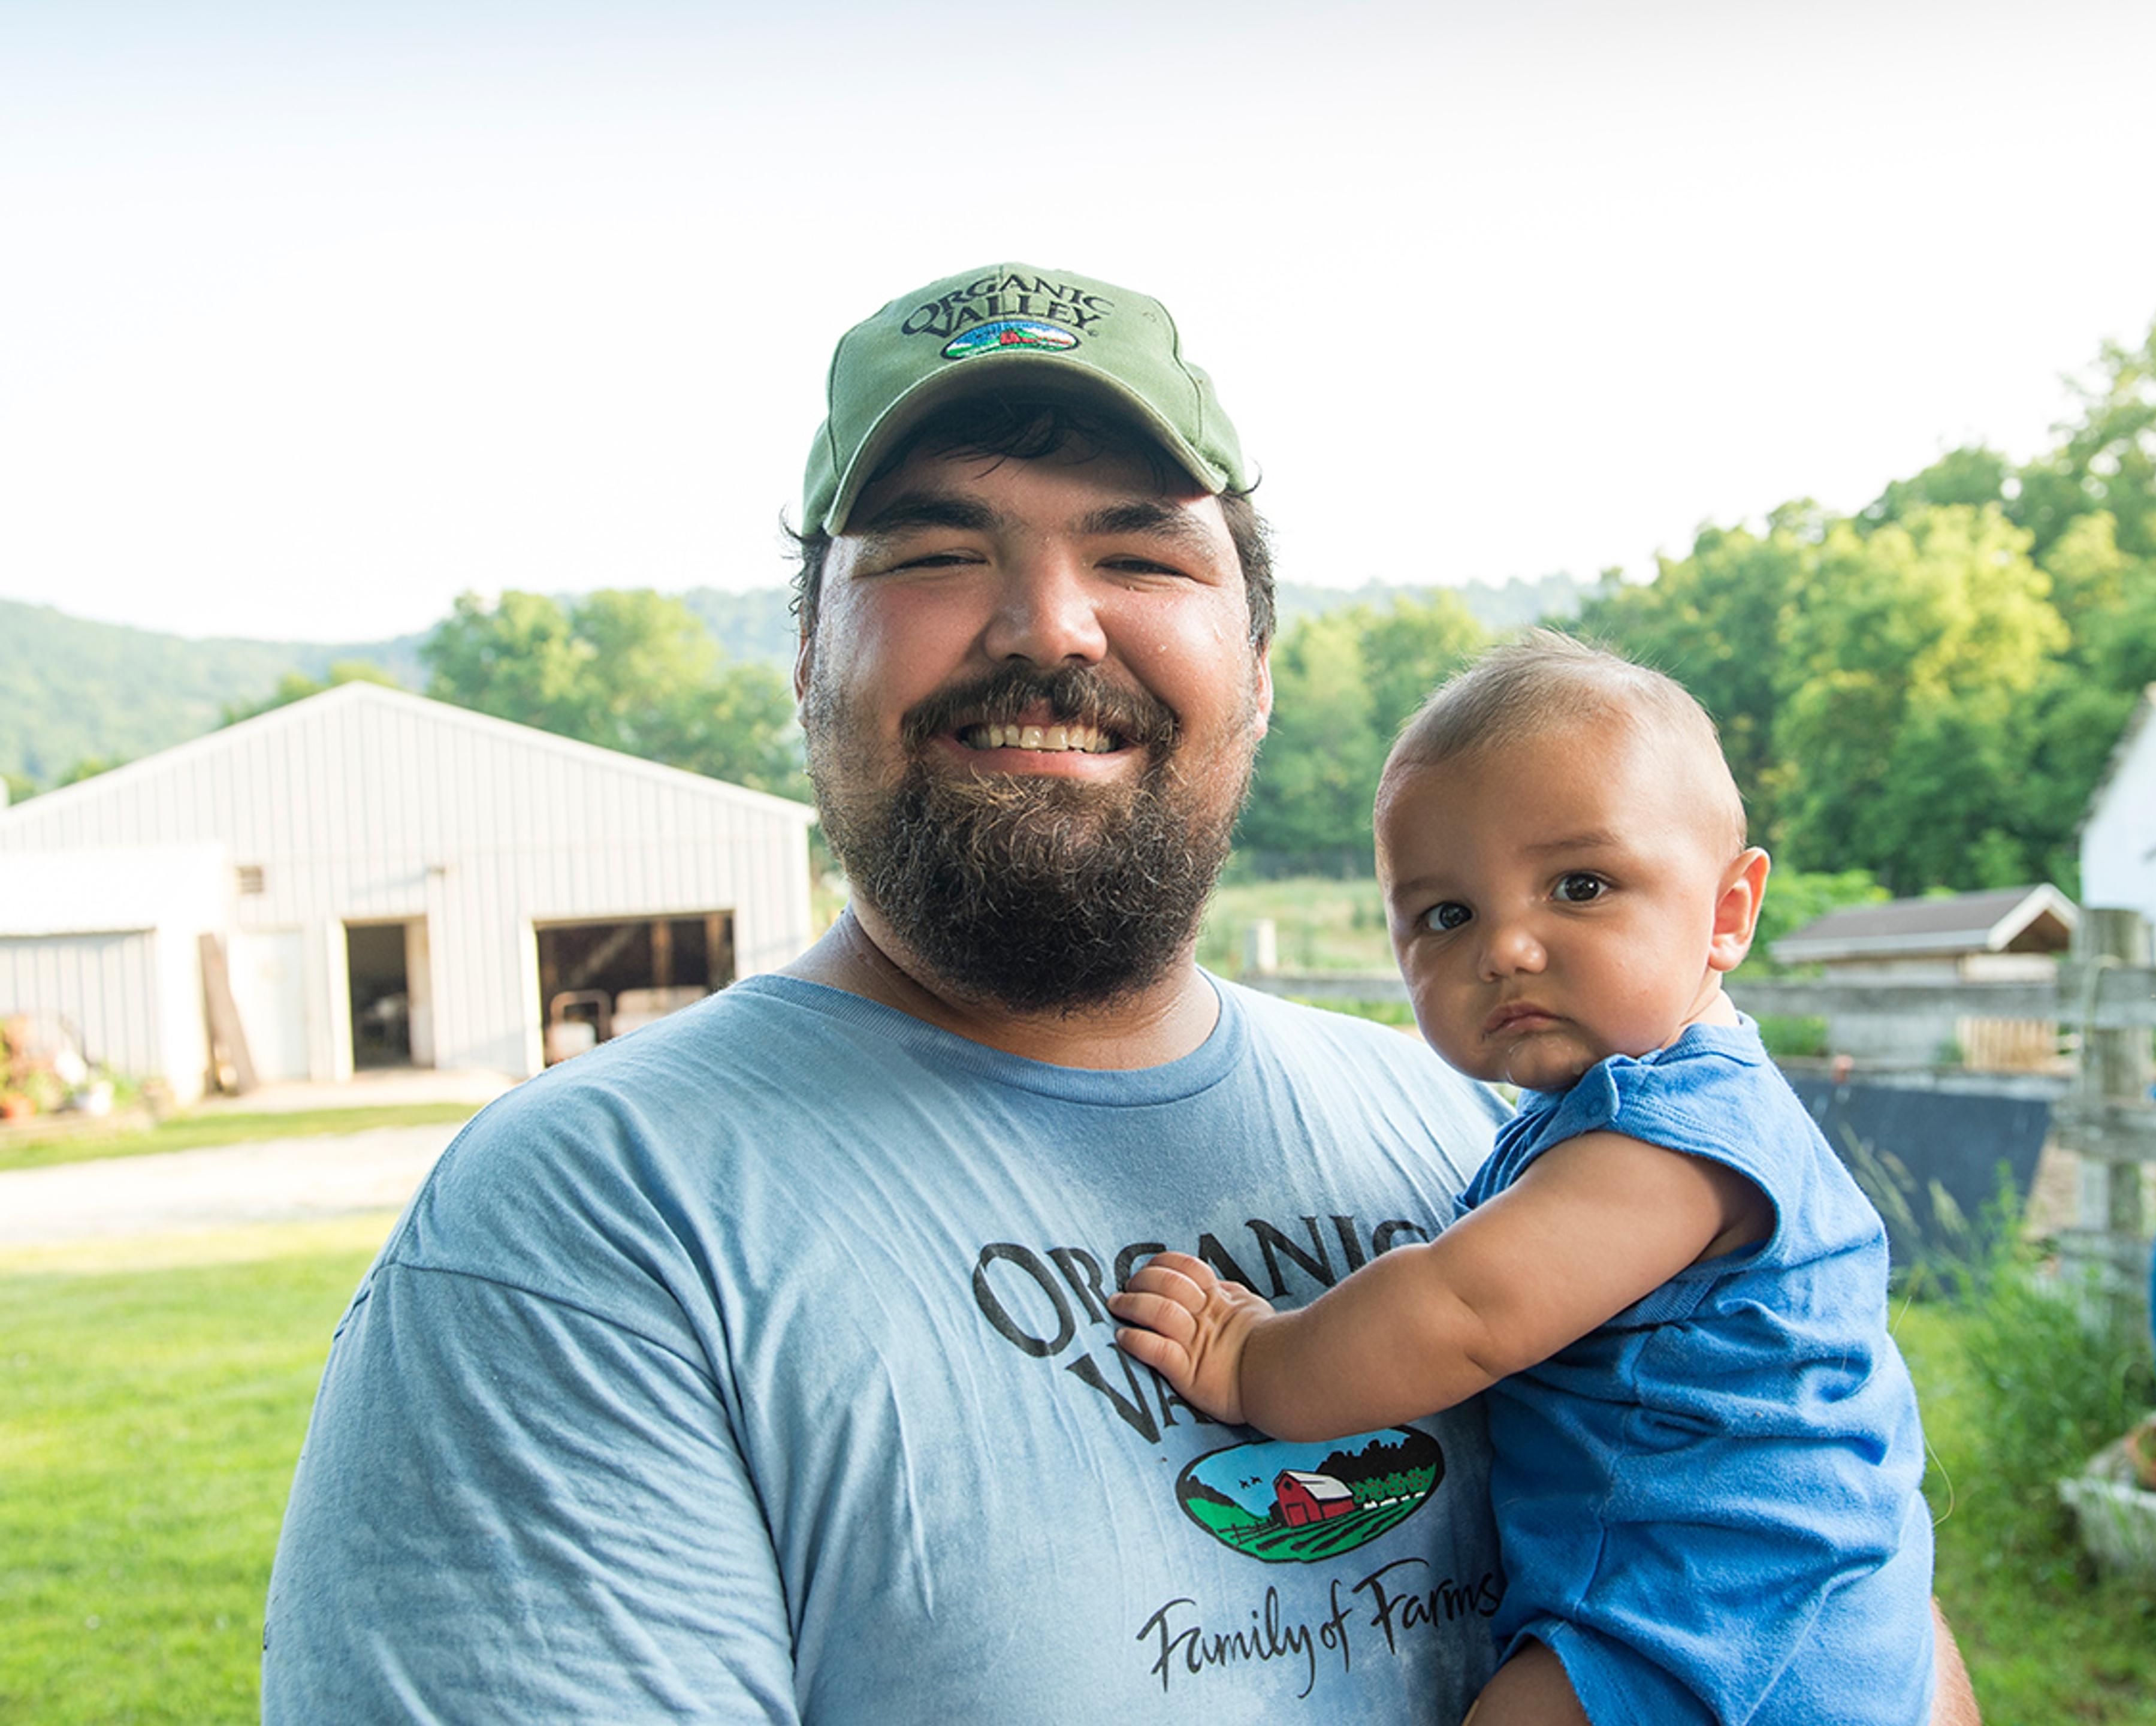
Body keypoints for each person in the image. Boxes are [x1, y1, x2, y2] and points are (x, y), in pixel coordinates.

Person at [260, 264, 1519, 1722]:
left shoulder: (1473, 1132)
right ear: (807, 658)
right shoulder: (594, 1227)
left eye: (1143, 558)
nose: (1050, 627)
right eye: (932, 554)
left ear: (1259, 664)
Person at [1113, 632, 1944, 1726]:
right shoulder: (1605, 1113)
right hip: (1735, 1600)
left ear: (1729, 914)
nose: (1505, 946)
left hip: (1726, 1617)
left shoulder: (1680, 1139)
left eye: (1581, 885)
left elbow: (1462, 1310)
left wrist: (1254, 1357)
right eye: (1446, 915)